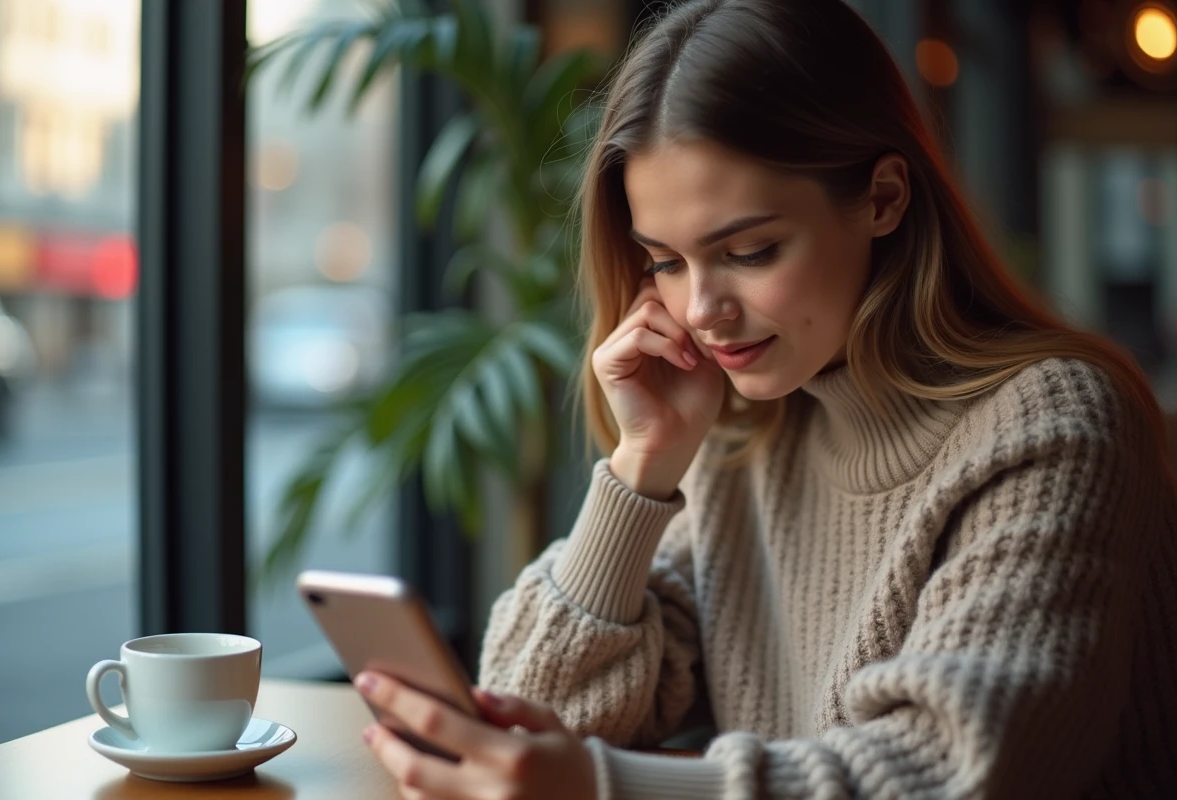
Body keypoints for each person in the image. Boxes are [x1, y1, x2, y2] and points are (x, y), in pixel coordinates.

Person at [350, 0, 1177, 796]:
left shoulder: (1054, 427)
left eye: (748, 250)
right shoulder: (745, 433)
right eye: (666, 262)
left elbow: (945, 771)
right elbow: (534, 715)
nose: (701, 310)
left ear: (884, 198)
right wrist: (643, 464)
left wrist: (604, 790)